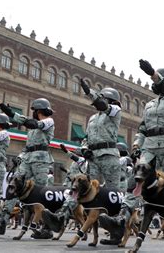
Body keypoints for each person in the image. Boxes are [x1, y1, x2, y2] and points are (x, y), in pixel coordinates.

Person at [42, 82, 122, 234]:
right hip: (93, 158)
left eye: (103, 98)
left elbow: (102, 105)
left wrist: (89, 92)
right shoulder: (92, 118)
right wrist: (84, 149)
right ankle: (61, 217)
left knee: (113, 193)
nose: (100, 101)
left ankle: (115, 226)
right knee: (81, 190)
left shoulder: (115, 111)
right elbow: (86, 137)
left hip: (109, 155)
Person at [0, 98, 55, 187]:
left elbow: (32, 123)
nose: (33, 113)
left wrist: (14, 115)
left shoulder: (49, 121)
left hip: (40, 159)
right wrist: (11, 114)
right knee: (16, 183)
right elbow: (28, 146)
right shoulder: (32, 129)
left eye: (35, 110)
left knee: (40, 187)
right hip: (27, 158)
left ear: (39, 111)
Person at [98, 142, 140, 245]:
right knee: (115, 207)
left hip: (122, 186)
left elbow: (113, 165)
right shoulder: (126, 161)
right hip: (115, 184)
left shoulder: (124, 159)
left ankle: (119, 224)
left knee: (120, 207)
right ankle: (115, 234)